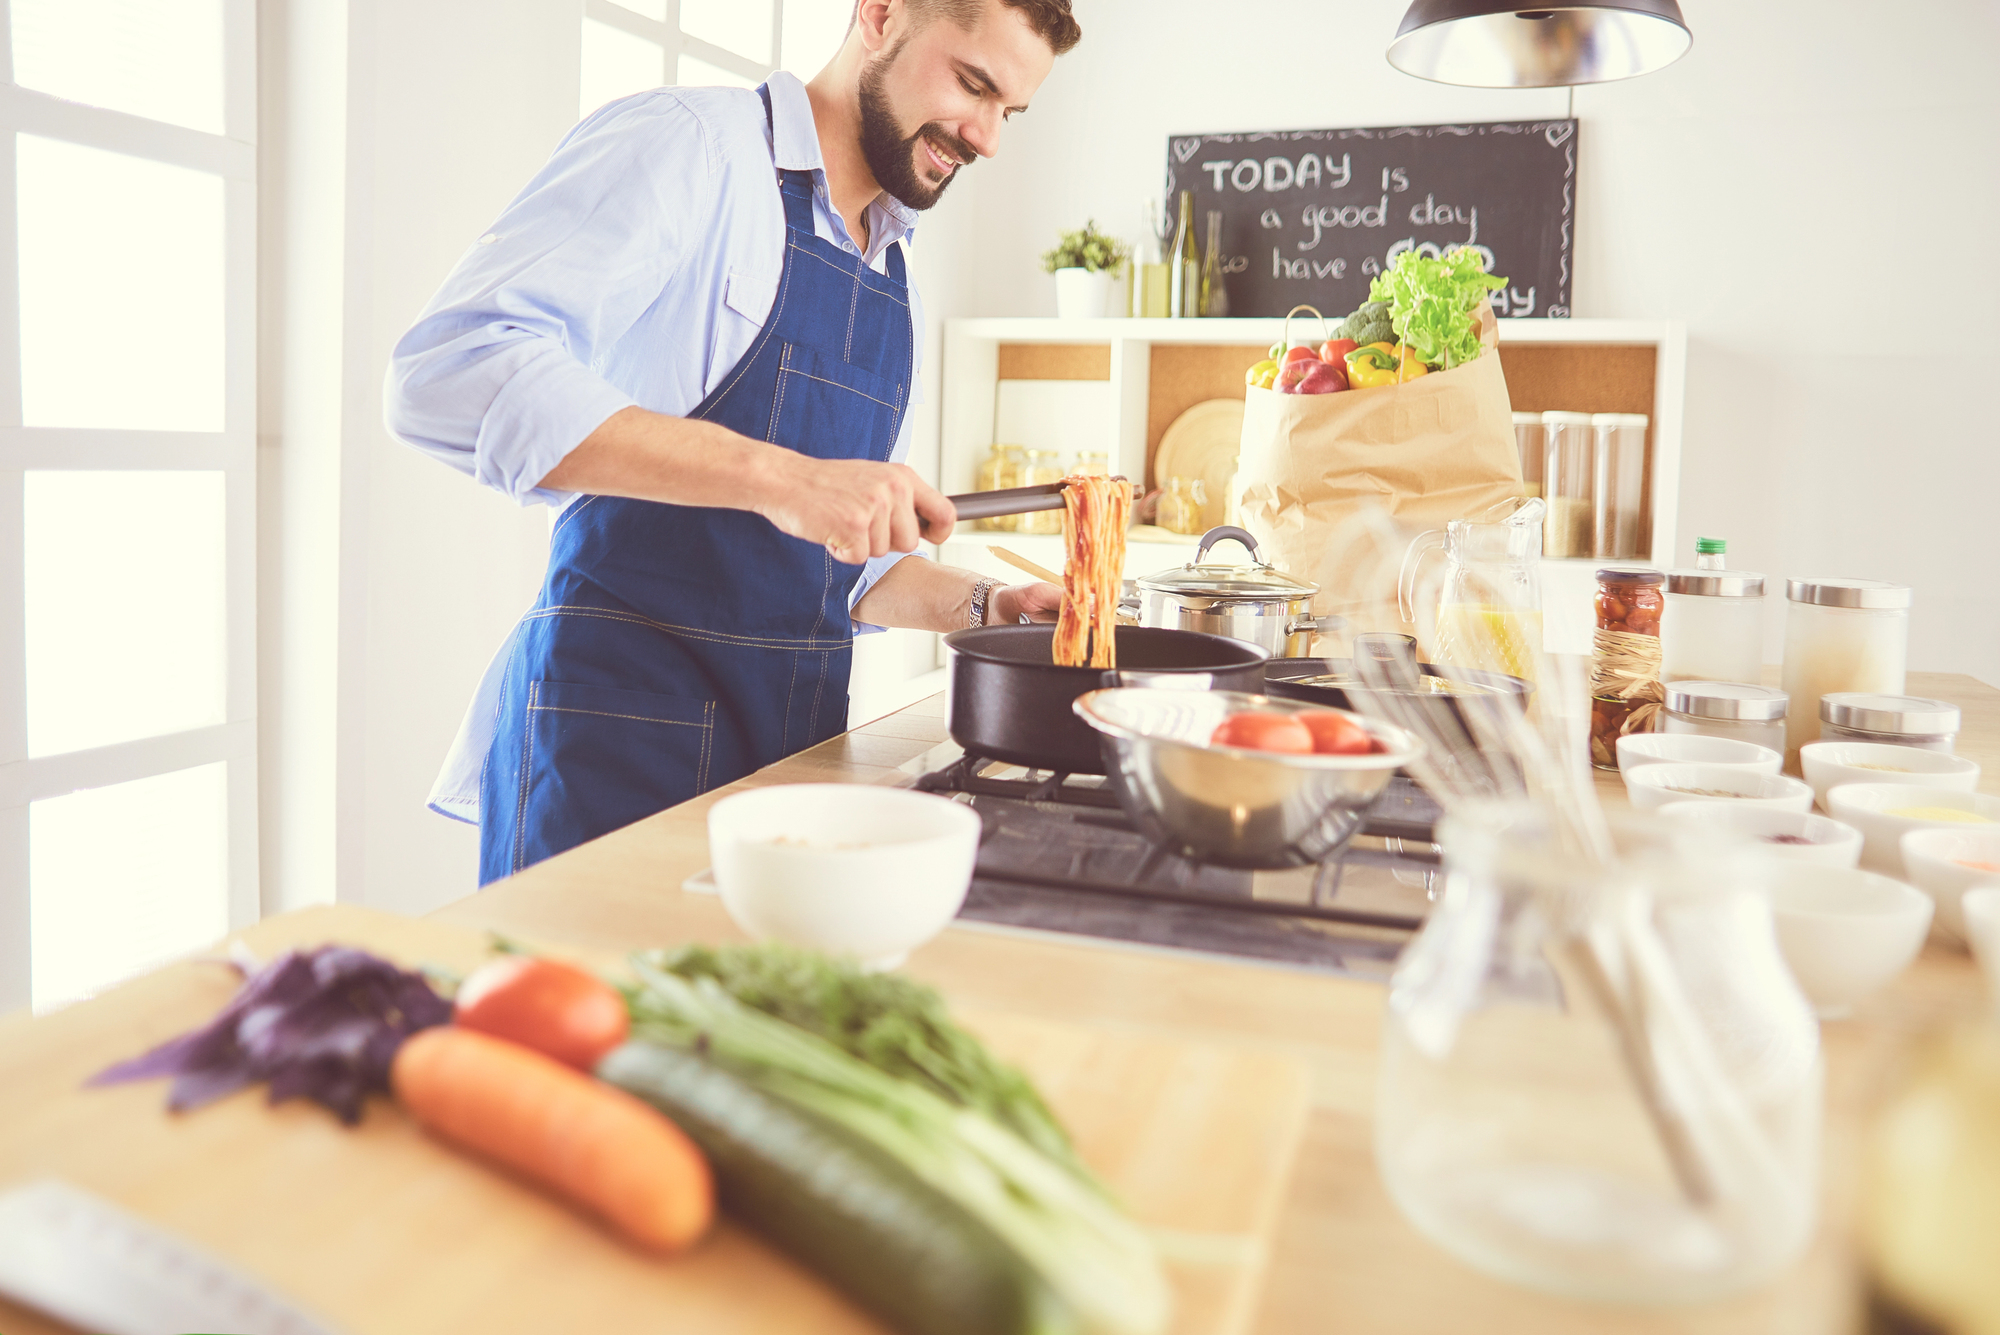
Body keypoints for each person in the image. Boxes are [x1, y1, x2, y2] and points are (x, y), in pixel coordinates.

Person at [385, 0, 1081, 884]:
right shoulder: (692, 148)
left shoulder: (891, 262)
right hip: (614, 741)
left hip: (789, 764)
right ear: (878, 16)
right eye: (972, 84)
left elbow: (832, 560)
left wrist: (987, 609)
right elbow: (447, 371)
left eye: (1008, 112)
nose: (984, 137)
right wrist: (783, 477)